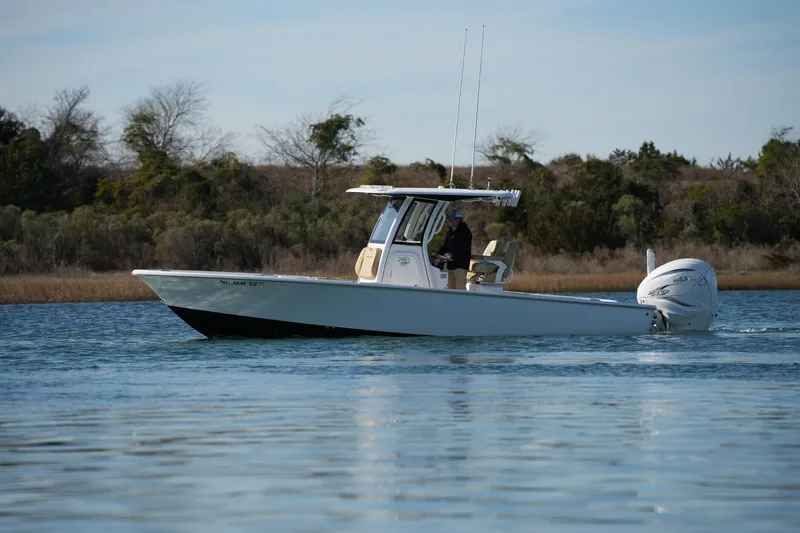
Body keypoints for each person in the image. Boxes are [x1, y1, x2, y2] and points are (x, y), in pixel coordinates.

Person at [437, 209, 472, 290]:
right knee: (451, 289)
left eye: (451, 220)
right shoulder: (450, 232)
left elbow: (464, 249)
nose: (449, 222)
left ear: (458, 220)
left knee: (460, 289)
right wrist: (439, 253)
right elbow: (446, 246)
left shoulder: (465, 232)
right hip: (451, 266)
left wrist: (452, 256)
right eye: (448, 220)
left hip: (460, 266)